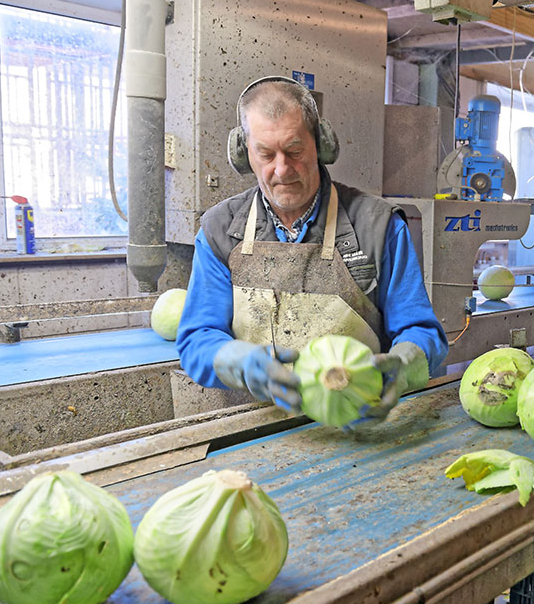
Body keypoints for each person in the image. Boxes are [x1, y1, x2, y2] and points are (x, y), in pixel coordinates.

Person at [177, 76, 447, 423]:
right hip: (253, 429)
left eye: (294, 151)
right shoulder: (219, 231)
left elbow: (423, 332)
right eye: (265, 154)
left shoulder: (377, 227)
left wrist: (405, 362)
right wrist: (241, 362)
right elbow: (197, 339)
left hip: (357, 426)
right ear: (244, 154)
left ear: (320, 144)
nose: (282, 169)